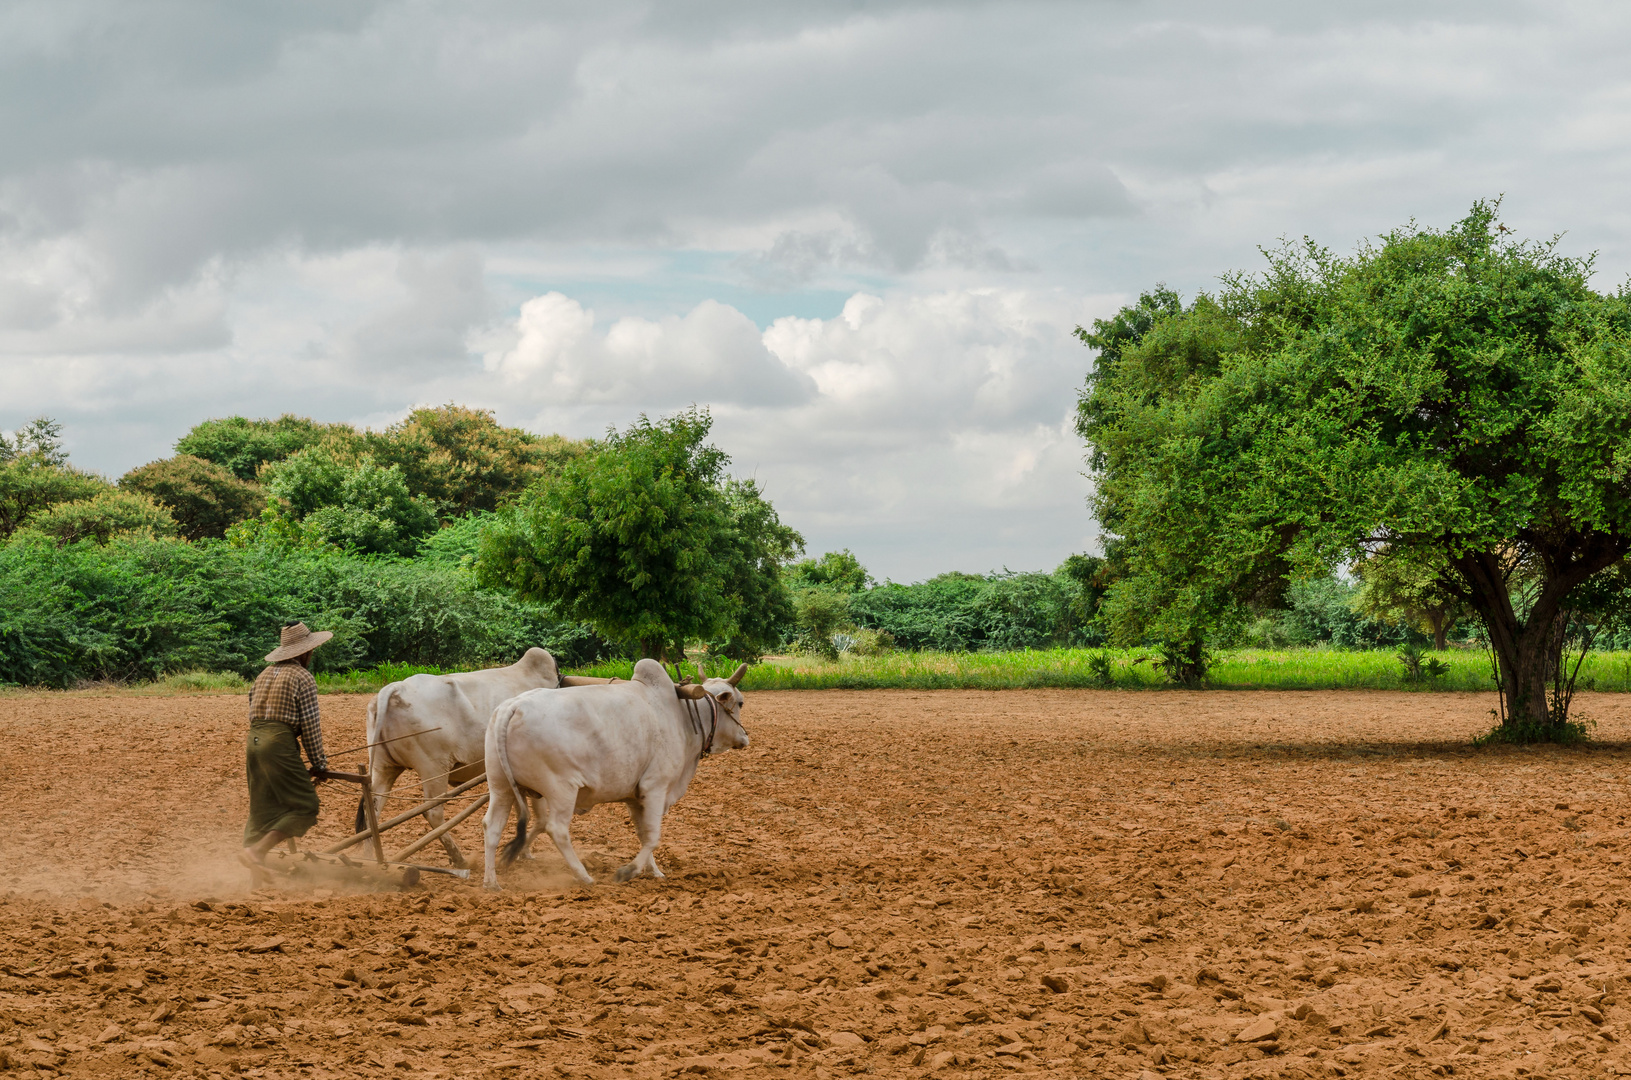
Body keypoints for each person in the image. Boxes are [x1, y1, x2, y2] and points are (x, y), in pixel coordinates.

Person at [239, 622, 333, 886]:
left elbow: (252, 712)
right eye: (311, 651)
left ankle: (255, 878)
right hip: (279, 743)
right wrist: (319, 764)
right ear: (304, 653)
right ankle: (256, 851)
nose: (311, 655)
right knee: (306, 805)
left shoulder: (263, 674)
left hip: (254, 742)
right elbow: (310, 725)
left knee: (261, 808)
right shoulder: (303, 677)